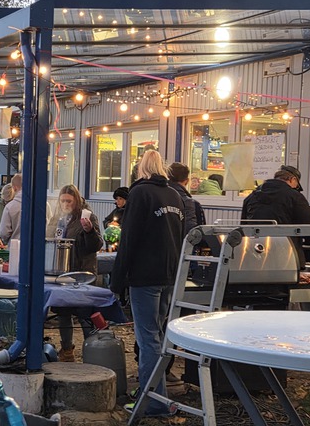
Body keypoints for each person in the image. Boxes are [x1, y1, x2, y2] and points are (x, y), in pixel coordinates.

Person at [110, 150, 184, 417]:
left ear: (140, 170)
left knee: (147, 338)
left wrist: (116, 282)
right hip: (170, 275)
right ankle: (156, 394)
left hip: (145, 276)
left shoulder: (140, 194)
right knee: (158, 336)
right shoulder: (175, 196)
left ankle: (153, 401)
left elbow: (129, 240)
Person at [45, 185, 104, 361]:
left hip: (82, 273)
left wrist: (89, 231)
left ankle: (91, 351)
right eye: (62, 200)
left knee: (84, 314)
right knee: (63, 313)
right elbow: (49, 237)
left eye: (68, 201)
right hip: (61, 273)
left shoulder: (87, 216)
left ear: (76, 201)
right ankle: (67, 350)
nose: (65, 204)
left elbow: (96, 245)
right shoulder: (58, 217)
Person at [241, 165, 310, 268]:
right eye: (296, 185)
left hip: (256, 253)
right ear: (293, 179)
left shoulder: (252, 197)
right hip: (287, 256)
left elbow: (244, 226)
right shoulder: (293, 196)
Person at [168, 163, 204, 234]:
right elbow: (199, 233)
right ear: (187, 181)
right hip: (185, 243)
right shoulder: (193, 204)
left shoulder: (159, 198)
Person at [0, 173, 23, 244]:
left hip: (15, 247)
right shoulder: (45, 205)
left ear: (14, 188)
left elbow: (4, 232)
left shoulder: (10, 207)